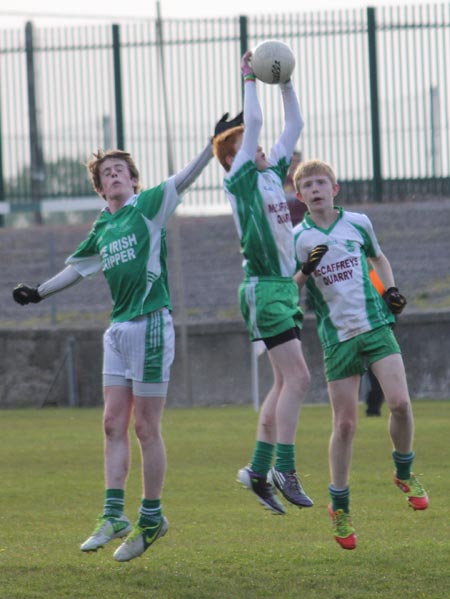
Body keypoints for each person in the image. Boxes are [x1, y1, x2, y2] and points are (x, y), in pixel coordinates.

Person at [12, 128, 220, 562]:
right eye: (107, 173)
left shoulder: (147, 207)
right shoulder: (103, 226)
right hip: (119, 330)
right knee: (112, 424)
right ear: (100, 187)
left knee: (145, 427)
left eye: (120, 170)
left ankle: (151, 518)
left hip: (151, 325)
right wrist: (39, 292)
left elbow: (183, 179)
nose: (114, 176)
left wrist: (211, 144)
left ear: (133, 180)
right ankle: (113, 515)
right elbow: (76, 268)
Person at [292, 159, 428, 549]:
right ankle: (340, 507)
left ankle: (404, 471)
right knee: (346, 425)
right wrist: (305, 270)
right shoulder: (298, 237)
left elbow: (378, 257)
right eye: (308, 185)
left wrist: (390, 289)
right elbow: (290, 287)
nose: (316, 189)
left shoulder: (358, 222)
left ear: (335, 189)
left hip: (375, 325)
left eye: (322, 183)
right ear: (300, 196)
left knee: (400, 403)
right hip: (337, 339)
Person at [212, 50, 314, 516]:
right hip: (262, 288)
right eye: (245, 145)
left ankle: (257, 470)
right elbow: (253, 120)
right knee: (299, 378)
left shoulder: (272, 173)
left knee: (281, 385)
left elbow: (293, 126)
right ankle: (283, 468)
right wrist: (250, 78)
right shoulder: (240, 181)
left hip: (281, 288)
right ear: (230, 159)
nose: (258, 146)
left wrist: (285, 82)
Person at [283, 150, 306, 226]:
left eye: (298, 161)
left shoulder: (307, 181)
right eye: (293, 161)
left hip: (304, 220)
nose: (295, 164)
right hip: (287, 221)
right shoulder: (282, 181)